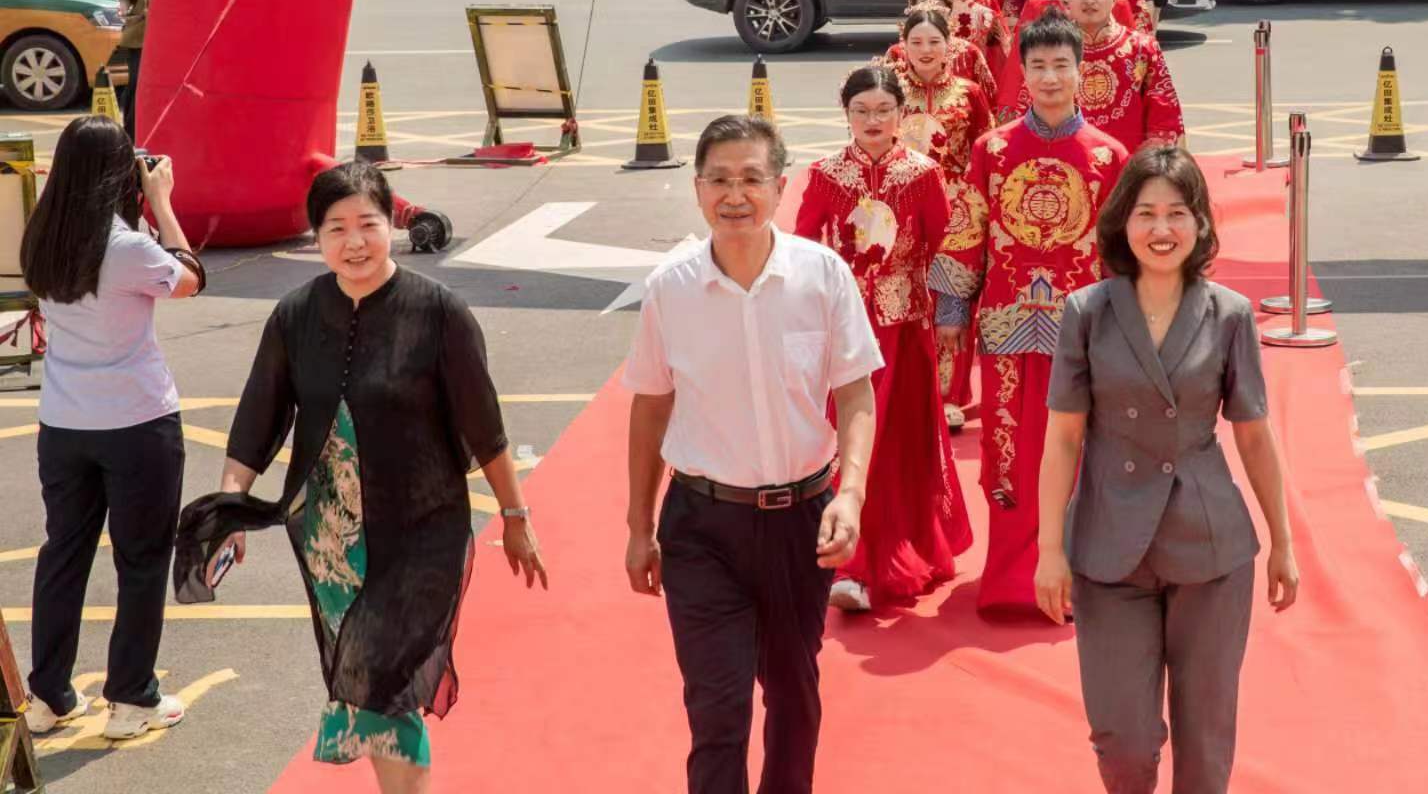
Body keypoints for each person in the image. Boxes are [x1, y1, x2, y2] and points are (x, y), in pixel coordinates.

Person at [175, 161, 544, 792]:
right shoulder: (295, 316)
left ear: (390, 225)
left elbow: (486, 429)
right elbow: (257, 422)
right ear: (315, 238)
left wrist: (515, 516)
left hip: (423, 533)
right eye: (336, 228)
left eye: (368, 224)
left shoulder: (439, 313)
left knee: (386, 681)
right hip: (333, 540)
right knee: (369, 681)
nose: (354, 242)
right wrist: (231, 508)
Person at [623, 115, 880, 794]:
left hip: (801, 521)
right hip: (702, 526)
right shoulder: (670, 289)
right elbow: (650, 406)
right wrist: (639, 527)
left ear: (781, 187)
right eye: (718, 180)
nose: (734, 196)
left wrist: (851, 493)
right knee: (718, 707)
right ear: (697, 189)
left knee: (793, 696)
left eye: (751, 179)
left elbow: (855, 391)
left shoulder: (823, 276)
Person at [1035, 144, 1300, 794]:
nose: (1162, 229)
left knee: (1205, 742)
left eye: (1177, 213)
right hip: (1107, 547)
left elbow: (1254, 434)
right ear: (1122, 222)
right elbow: (1063, 438)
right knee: (1123, 742)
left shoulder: (1229, 314)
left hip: (1209, 548)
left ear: (1200, 222)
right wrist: (1048, 550)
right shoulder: (1087, 311)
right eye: (1146, 213)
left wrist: (1282, 542)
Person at [931, 12, 1128, 614]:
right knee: (1009, 450)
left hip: (1083, 326)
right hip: (1006, 322)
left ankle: (1075, 573)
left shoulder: (1108, 155)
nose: (1049, 77)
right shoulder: (992, 150)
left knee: (1081, 447)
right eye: (1037, 66)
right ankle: (1012, 579)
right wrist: (951, 307)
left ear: (1080, 71)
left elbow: (1122, 252)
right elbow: (968, 230)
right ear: (1023, 72)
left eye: (1060, 65)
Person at [19, 116, 202, 741]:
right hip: (136, 422)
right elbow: (190, 279)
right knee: (142, 560)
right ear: (120, 174)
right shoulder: (126, 247)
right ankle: (131, 699)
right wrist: (161, 201)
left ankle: (48, 696)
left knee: (63, 554)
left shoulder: (41, 236)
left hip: (63, 423)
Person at [794, 67, 972, 611]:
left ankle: (890, 554)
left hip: (905, 329)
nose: (872, 121)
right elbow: (803, 248)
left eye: (883, 110)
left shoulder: (923, 174)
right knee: (845, 437)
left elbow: (947, 247)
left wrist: (950, 311)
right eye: (861, 111)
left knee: (897, 441)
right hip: (844, 327)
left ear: (901, 114)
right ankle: (848, 559)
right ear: (846, 114)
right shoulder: (825, 175)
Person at [888, 7, 994, 431]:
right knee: (905, 296)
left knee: (952, 297)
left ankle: (950, 396)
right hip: (900, 207)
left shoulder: (969, 93)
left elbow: (984, 147)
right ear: (904, 46)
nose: (926, 50)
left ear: (950, 45)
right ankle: (908, 389)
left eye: (934, 41)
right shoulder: (889, 90)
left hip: (956, 211)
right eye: (916, 42)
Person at [1048, 0, 1184, 153]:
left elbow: (1163, 114)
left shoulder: (1141, 48)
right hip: (1068, 160)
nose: (1089, 0)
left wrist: (1153, 163)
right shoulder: (1051, 50)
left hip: (1130, 162)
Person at [886, 0, 997, 104]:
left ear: (949, 12)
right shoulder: (897, 54)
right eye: (923, 8)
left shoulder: (969, 52)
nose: (930, 15)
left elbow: (988, 100)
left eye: (937, 10)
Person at [115, 0, 156, 137]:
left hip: (167, 37)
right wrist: (123, 8)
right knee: (137, 81)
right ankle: (131, 132)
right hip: (140, 33)